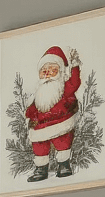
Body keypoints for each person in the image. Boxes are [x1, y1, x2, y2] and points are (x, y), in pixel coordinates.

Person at [24, 46, 81, 181]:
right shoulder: (39, 92)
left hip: (61, 122)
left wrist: (75, 67)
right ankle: (41, 169)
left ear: (60, 72)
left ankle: (64, 165)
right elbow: (32, 108)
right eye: (44, 71)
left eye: (52, 70)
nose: (47, 73)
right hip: (40, 126)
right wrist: (30, 117)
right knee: (39, 146)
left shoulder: (63, 88)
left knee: (62, 142)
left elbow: (75, 83)